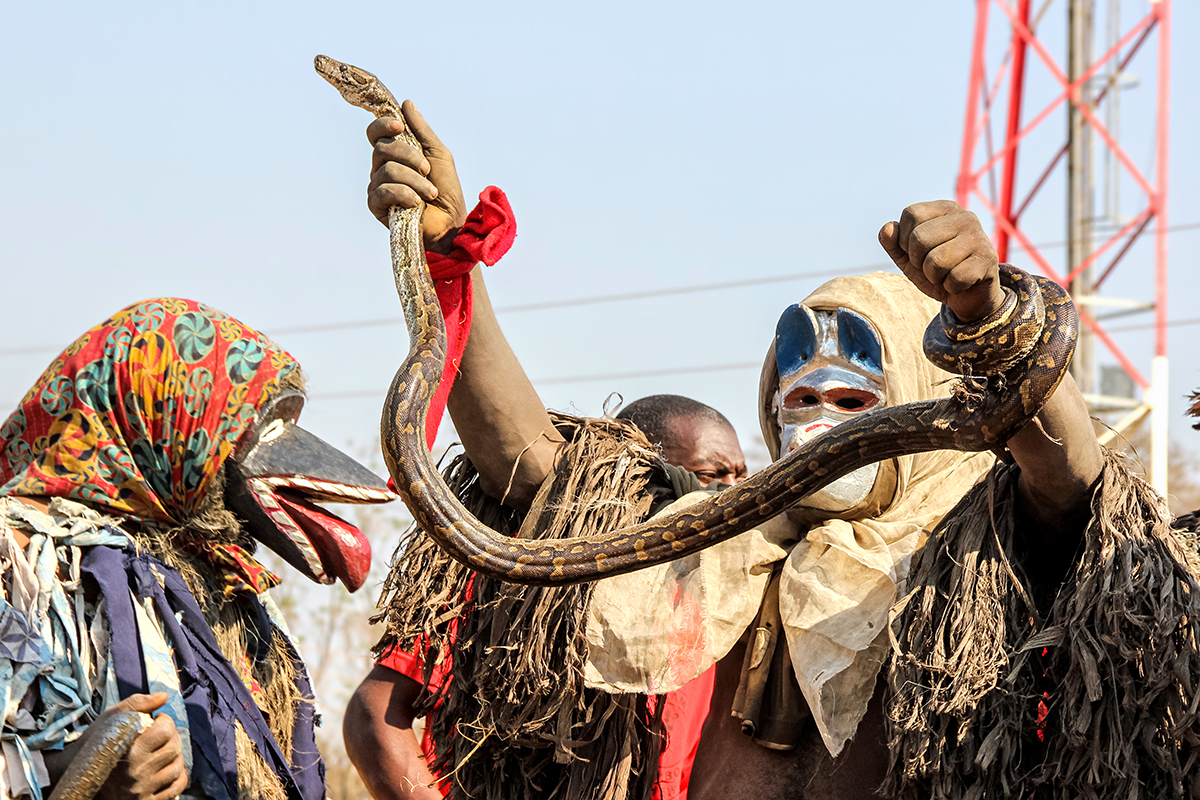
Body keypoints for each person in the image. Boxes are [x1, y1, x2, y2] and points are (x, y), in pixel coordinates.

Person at [360, 102, 1200, 799]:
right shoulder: (717, 550)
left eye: (853, 402)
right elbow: (541, 473)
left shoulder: (990, 559)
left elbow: (1072, 481)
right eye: (801, 402)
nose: (822, 431)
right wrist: (449, 260)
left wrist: (989, 321)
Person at [0, 299, 395, 800]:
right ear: (161, 417)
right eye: (245, 427)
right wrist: (83, 774)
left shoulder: (222, 581)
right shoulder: (21, 563)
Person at [344, 393, 746, 800]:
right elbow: (373, 714)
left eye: (743, 477)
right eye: (713, 474)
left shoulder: (728, 608)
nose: (732, 495)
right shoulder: (516, 575)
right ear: (641, 473)